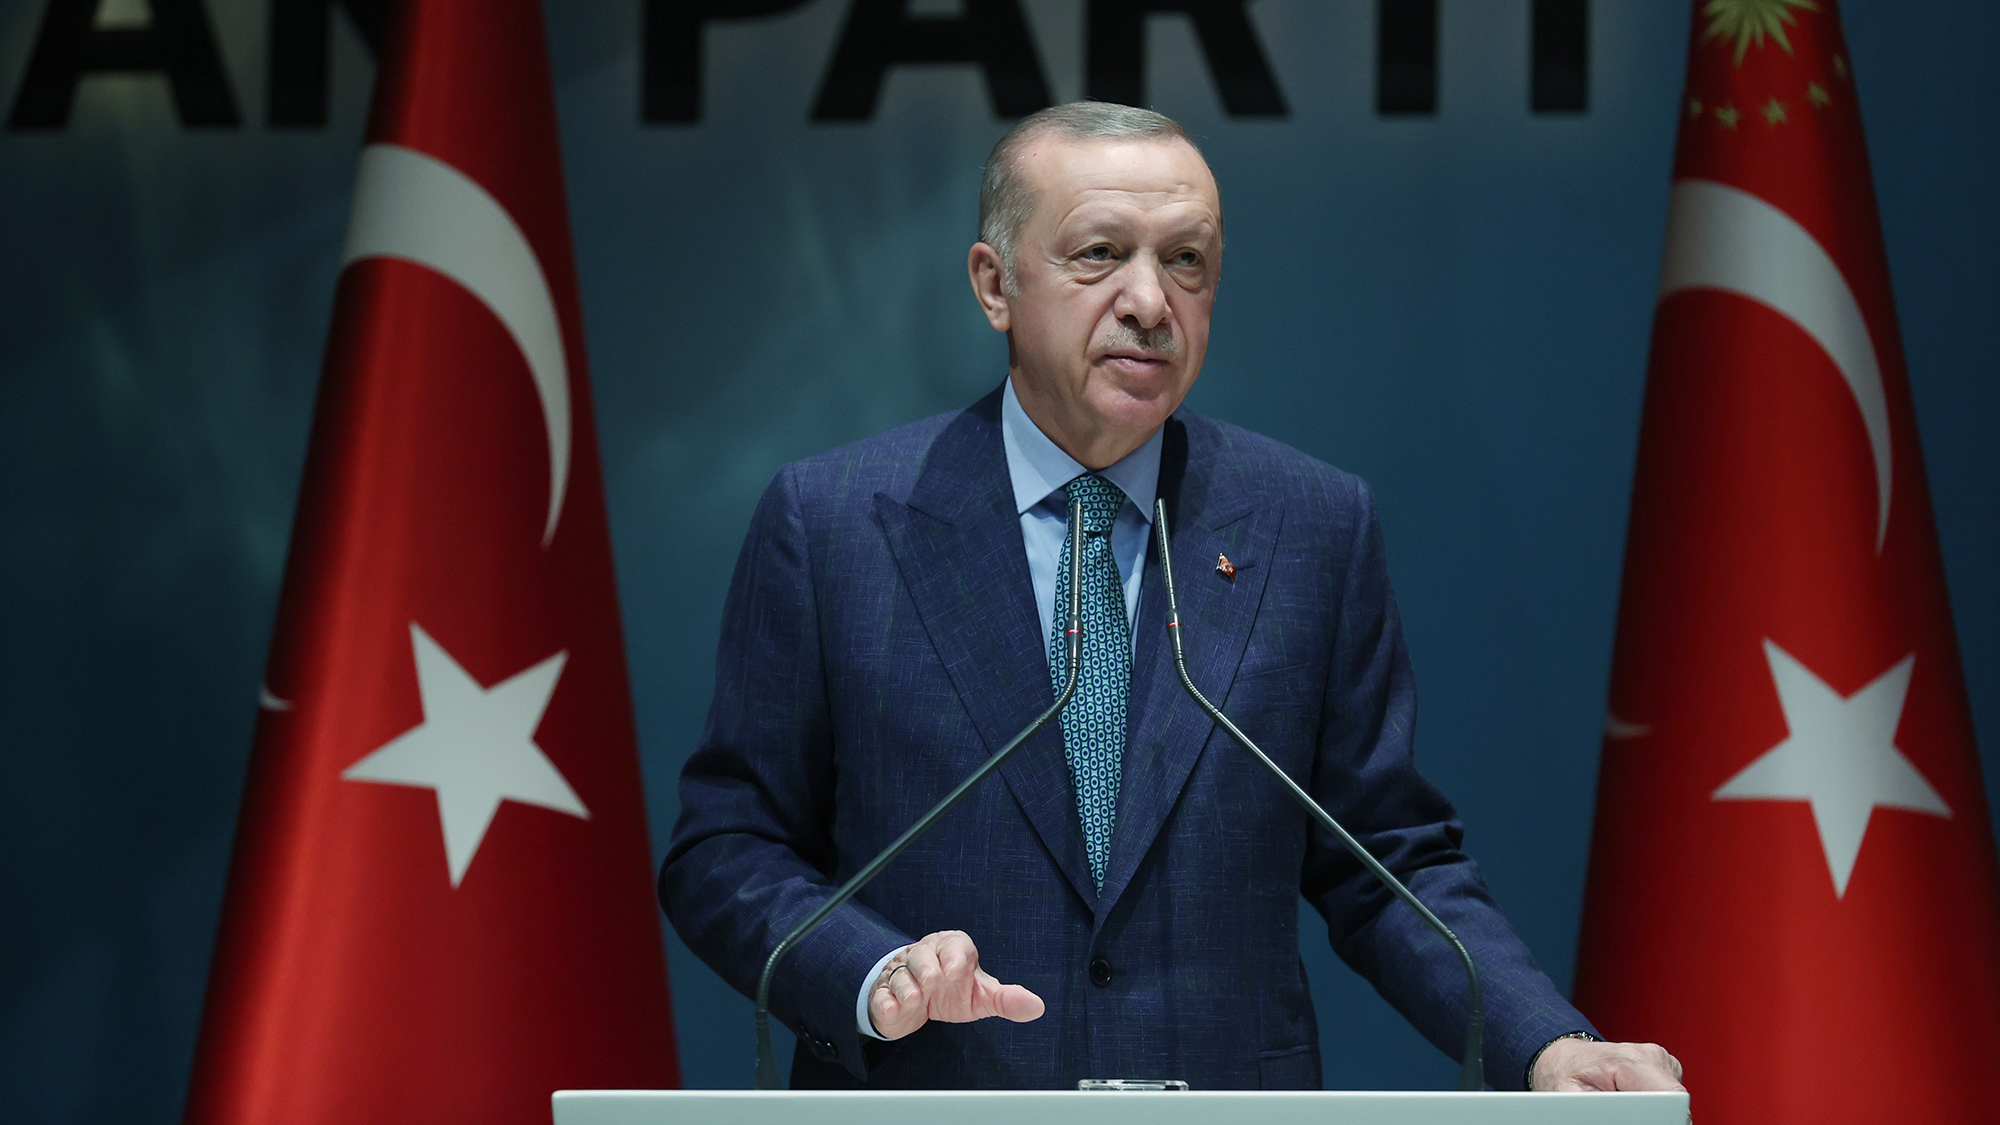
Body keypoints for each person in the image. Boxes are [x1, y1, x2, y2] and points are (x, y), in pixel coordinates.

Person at [661, 102, 1683, 1094]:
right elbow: (726, 850)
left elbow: (1388, 862)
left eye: (1185, 260)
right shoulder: (835, 523)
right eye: (1099, 253)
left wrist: (1542, 1044)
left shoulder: (1308, 526)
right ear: (994, 283)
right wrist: (872, 973)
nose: (1149, 302)